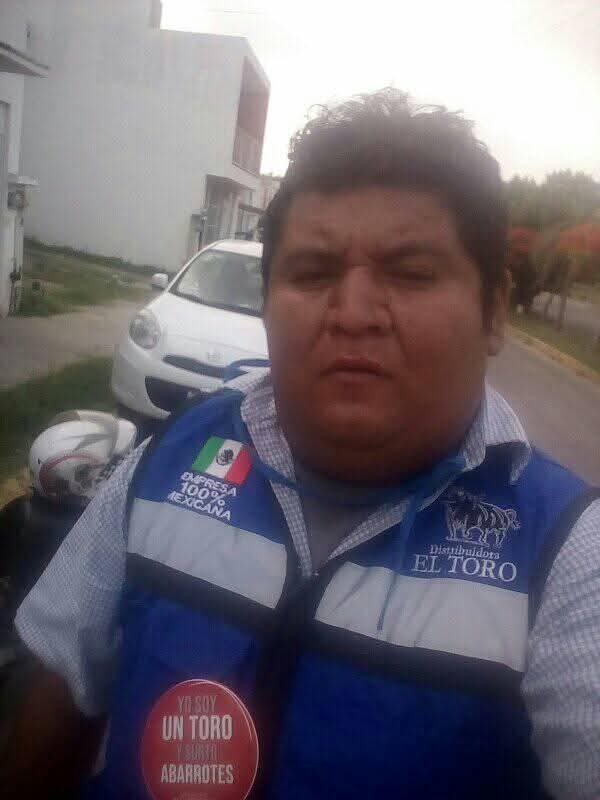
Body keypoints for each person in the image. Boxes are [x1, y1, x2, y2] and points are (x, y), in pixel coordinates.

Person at [5, 89, 600, 800]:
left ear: (494, 311)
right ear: (267, 303)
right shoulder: (171, 458)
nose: (352, 314)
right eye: (313, 273)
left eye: (411, 273)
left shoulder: (566, 552)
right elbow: (63, 687)